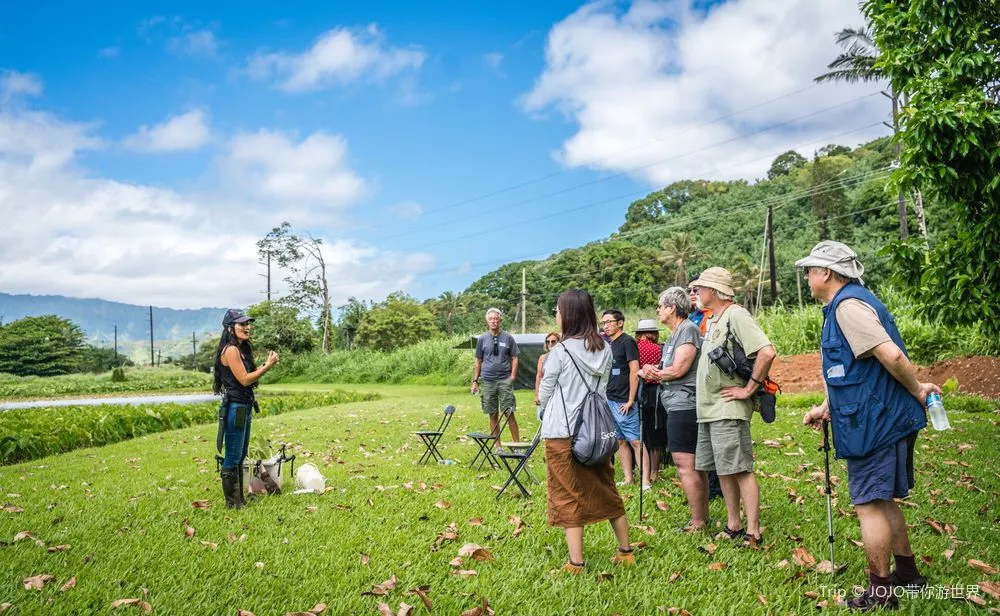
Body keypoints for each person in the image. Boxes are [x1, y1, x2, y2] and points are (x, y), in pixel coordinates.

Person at [798, 241, 937, 611]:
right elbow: (851, 370)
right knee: (882, 499)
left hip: (875, 421)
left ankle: (881, 590)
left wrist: (919, 389)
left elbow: (890, 354)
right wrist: (827, 406)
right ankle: (908, 576)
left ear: (826, 273)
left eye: (810, 270)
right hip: (879, 416)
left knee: (869, 505)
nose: (808, 277)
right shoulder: (847, 304)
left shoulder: (847, 307)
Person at [538, 289, 633, 574]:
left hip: (562, 431)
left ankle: (576, 562)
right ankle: (626, 551)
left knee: (567, 493)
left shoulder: (561, 351)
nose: (556, 314)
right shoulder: (604, 348)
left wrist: (545, 404)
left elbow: (545, 392)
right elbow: (602, 388)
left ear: (569, 314)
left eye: (558, 310)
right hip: (595, 429)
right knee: (606, 487)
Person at [691, 267, 776, 546]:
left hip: (727, 408)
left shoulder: (736, 314)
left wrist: (749, 388)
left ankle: (753, 530)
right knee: (723, 468)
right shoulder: (714, 319)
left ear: (714, 291)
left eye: (701, 288)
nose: (697, 292)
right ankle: (733, 524)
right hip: (710, 409)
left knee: (740, 468)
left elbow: (766, 351)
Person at [644, 287, 708, 531]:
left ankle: (698, 521)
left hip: (684, 403)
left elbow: (680, 368)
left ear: (672, 307)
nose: (658, 310)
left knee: (685, 464)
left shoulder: (688, 330)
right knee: (691, 464)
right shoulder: (674, 334)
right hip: (675, 402)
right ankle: (701, 517)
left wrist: (655, 373)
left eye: (660, 306)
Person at [213, 309, 279, 509]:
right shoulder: (231, 350)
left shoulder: (240, 349)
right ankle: (232, 503)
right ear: (230, 328)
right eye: (241, 324)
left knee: (241, 455)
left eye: (247, 323)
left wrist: (261, 366)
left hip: (244, 406)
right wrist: (267, 366)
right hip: (236, 408)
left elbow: (245, 377)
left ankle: (239, 499)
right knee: (233, 455)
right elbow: (244, 379)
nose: (247, 327)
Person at [601, 309, 643, 487]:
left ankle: (646, 480)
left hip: (624, 400)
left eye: (609, 321)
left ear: (620, 322)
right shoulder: (609, 344)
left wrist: (631, 399)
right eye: (603, 323)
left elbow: (635, 371)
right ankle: (628, 478)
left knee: (635, 440)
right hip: (610, 398)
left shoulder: (627, 342)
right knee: (620, 440)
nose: (606, 326)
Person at [471, 308, 520, 445]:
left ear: (500, 320)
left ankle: (516, 445)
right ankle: (498, 446)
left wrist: (512, 377)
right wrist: (475, 381)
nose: (493, 321)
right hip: (487, 381)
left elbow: (515, 358)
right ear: (487, 321)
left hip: (505, 380)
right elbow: (478, 361)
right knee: (492, 414)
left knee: (509, 413)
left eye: (496, 318)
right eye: (491, 318)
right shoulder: (482, 339)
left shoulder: (508, 338)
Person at [634, 319, 668, 486]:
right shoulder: (660, 349)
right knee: (656, 432)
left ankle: (642, 470)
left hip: (639, 391)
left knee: (642, 433)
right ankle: (654, 470)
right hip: (657, 393)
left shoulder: (635, 349)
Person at [534, 332, 561, 406]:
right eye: (548, 341)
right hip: (545, 390)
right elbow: (539, 376)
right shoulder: (543, 358)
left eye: (553, 341)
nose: (550, 343)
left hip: (559, 392)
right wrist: (537, 395)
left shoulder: (563, 357)